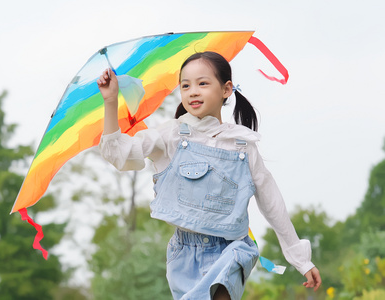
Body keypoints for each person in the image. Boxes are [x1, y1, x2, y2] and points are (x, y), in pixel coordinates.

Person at [97, 51, 321, 300]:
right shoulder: (170, 135)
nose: (193, 91)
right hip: (184, 254)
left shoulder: (242, 145)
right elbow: (120, 153)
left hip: (233, 248)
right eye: (185, 85)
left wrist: (301, 260)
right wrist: (110, 101)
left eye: (202, 83)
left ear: (226, 89)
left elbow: (272, 202)